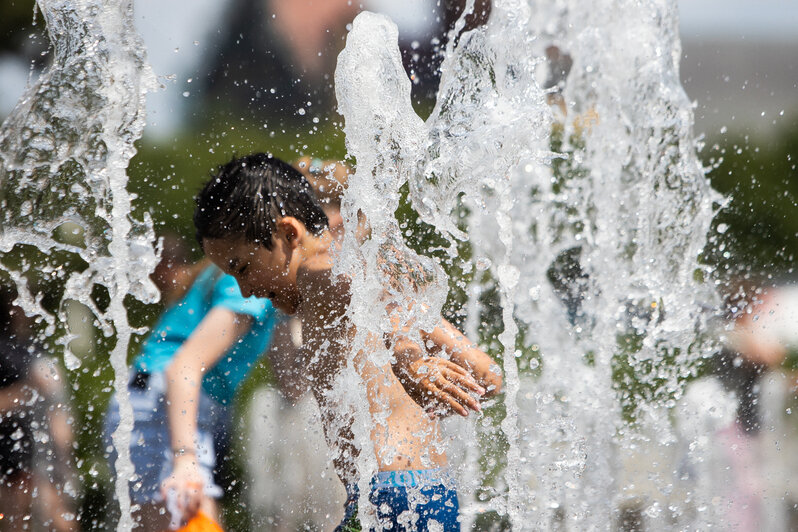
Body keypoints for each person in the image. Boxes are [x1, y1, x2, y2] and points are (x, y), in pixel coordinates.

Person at [194, 153, 502, 530]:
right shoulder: (344, 269)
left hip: (390, 496)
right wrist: (423, 379)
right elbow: (488, 374)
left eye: (243, 268)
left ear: (289, 234)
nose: (245, 289)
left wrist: (410, 361)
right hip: (422, 491)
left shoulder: (317, 272)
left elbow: (378, 301)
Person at [103, 238, 280, 531]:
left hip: (156, 402)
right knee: (189, 516)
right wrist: (185, 459)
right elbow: (183, 367)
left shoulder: (234, 270)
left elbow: (294, 384)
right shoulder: (252, 279)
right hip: (165, 407)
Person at [0, 285, 78, 532]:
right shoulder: (6, 351)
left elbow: (55, 401)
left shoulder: (32, 347)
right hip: (12, 447)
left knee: (49, 510)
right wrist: (27, 392)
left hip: (33, 445)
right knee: (17, 515)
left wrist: (61, 436)